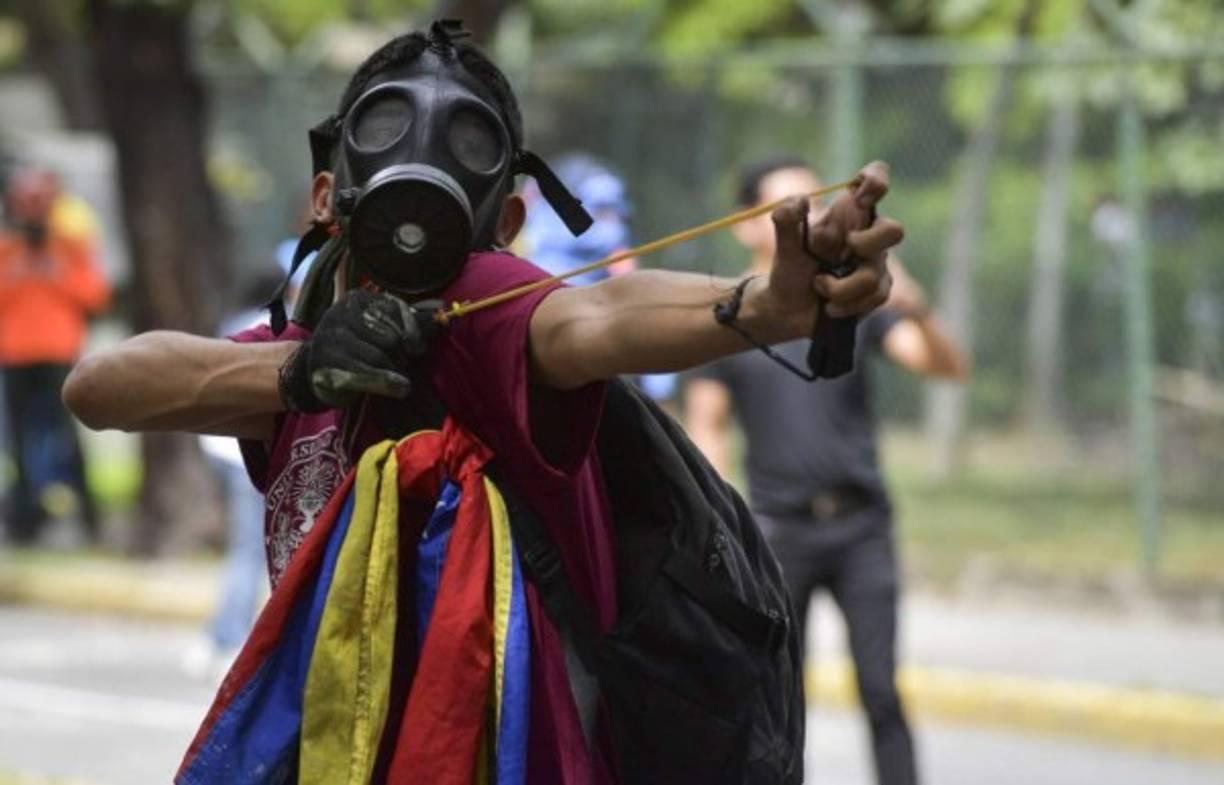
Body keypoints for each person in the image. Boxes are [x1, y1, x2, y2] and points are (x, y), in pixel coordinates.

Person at [62, 23, 902, 783]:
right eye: (391, 124)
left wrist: (761, 306)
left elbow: (595, 318)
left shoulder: (487, 306)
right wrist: (301, 373)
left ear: (503, 219)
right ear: (326, 195)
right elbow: (100, 387)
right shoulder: (304, 354)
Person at [685, 157, 968, 785]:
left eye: (811, 202)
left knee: (880, 689)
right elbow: (708, 425)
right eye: (785, 206)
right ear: (745, 224)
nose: (805, 216)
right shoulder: (729, 315)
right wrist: (725, 531)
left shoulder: (850, 300)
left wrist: (917, 308)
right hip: (778, 534)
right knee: (781, 699)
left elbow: (945, 367)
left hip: (862, 525)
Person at [0, 166, 110, 544]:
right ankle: (24, 521)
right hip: (14, 354)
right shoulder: (6, 248)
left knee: (69, 436)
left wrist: (55, 272)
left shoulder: (69, 246)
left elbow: (96, 295)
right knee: (20, 441)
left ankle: (89, 518)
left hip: (59, 352)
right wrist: (18, 273)